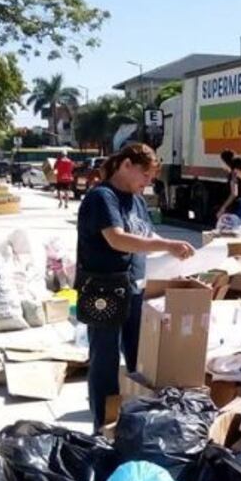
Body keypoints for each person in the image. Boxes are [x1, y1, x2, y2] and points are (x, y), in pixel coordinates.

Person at [76, 143, 196, 431]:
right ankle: (102, 425)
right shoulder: (102, 198)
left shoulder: (137, 200)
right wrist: (168, 244)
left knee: (140, 361)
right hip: (104, 291)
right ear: (126, 164)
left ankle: (134, 421)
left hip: (134, 289)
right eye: (145, 175)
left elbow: (145, 236)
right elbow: (117, 239)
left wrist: (176, 258)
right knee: (104, 361)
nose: (148, 182)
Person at [215, 149, 241, 223]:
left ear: (225, 162)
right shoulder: (238, 171)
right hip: (240, 204)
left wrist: (223, 208)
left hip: (234, 206)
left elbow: (234, 193)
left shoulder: (233, 174)